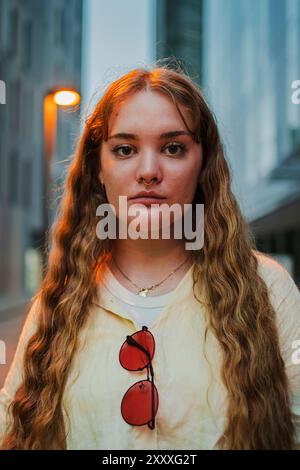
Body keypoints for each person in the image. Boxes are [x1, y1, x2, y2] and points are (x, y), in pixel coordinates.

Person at [0, 64, 300, 450]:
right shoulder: (59, 300)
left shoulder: (267, 287)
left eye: (173, 148)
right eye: (125, 149)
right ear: (98, 169)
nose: (148, 172)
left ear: (203, 164)